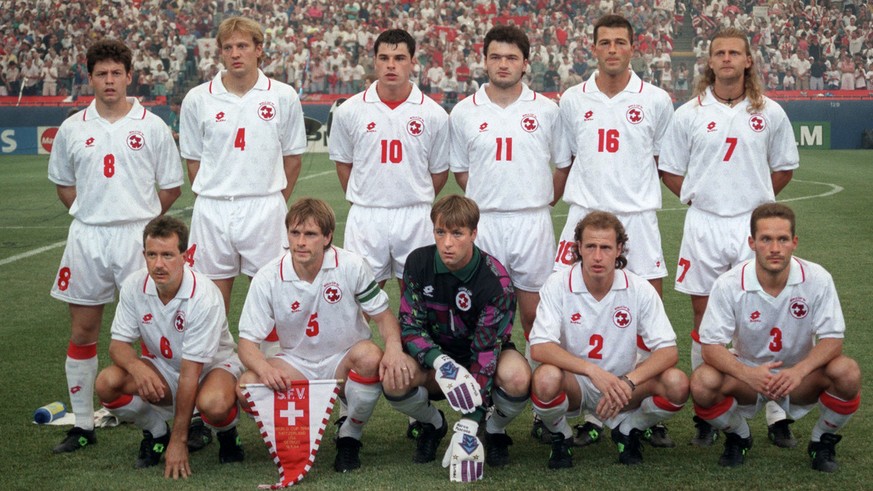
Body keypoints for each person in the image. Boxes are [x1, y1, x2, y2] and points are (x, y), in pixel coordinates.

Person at [659, 27, 799, 447]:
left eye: (734, 53)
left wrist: (755, 204)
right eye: (719, 52)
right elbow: (670, 169)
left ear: (747, 61)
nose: (726, 59)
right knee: (704, 316)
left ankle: (776, 408)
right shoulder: (689, 113)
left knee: (762, 315)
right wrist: (699, 197)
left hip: (751, 227)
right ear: (710, 61)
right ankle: (708, 410)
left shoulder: (770, 112)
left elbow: (784, 168)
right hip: (703, 225)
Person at [48, 39, 183, 454]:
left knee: (155, 329)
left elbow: (171, 187)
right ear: (90, 78)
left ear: (129, 77)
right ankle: (82, 425)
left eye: (116, 73)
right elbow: (64, 185)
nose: (109, 80)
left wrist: (141, 222)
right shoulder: (73, 127)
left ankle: (164, 420)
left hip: (137, 240)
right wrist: (91, 213)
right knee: (83, 330)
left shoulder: (152, 126)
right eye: (101, 74)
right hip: (87, 237)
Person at [554, 14, 675, 447]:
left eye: (620, 42)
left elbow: (664, 161)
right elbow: (565, 159)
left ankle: (637, 409)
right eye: (604, 42)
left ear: (632, 47)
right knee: (566, 307)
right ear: (593, 48)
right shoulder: (572, 99)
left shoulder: (657, 100)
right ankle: (575, 407)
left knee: (648, 313)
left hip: (637, 218)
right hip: (584, 216)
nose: (612, 49)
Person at [236, 198, 408, 473]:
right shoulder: (268, 277)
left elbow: (384, 317)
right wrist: (265, 369)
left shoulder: (351, 265)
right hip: (296, 363)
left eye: (310, 234)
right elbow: (246, 343)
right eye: (295, 233)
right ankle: (298, 432)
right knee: (247, 386)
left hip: (343, 359)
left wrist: (394, 348)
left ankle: (349, 435)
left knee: (370, 356)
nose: (301, 242)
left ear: (327, 237)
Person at [691, 203, 861, 471]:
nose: (774, 248)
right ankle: (739, 436)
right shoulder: (729, 283)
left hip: (798, 376)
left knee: (847, 372)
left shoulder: (817, 278)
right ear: (752, 243)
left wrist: (799, 371)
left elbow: (833, 339)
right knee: (702, 382)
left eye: (782, 239)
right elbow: (711, 347)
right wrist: (748, 374)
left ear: (794, 242)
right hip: (748, 375)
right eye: (766, 239)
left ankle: (821, 441)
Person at [383, 195, 529, 482]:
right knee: (393, 377)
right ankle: (433, 424)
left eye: (457, 233)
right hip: (434, 359)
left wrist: (470, 421)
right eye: (440, 232)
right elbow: (410, 325)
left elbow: (485, 352)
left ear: (474, 233)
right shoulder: (418, 262)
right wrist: (441, 363)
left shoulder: (496, 282)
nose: (447, 243)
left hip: (480, 356)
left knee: (517, 377)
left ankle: (492, 429)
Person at [528, 211, 688, 469]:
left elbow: (668, 351)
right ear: (578, 247)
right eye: (590, 246)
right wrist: (592, 371)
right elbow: (540, 347)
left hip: (623, 385)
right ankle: (562, 435)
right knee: (545, 378)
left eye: (606, 247)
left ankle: (629, 429)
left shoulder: (639, 288)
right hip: (577, 384)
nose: (597, 256)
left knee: (677, 383)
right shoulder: (558, 284)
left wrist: (629, 381)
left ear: (619, 249)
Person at [449, 24, 570, 360]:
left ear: (525, 63)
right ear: (485, 61)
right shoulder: (464, 111)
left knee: (536, 316)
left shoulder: (546, 110)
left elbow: (563, 166)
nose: (503, 64)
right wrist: (491, 197)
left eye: (512, 58)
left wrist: (541, 202)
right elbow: (461, 171)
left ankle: (539, 390)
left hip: (532, 223)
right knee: (481, 315)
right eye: (496, 57)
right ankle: (483, 386)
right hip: (484, 223)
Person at [95, 216, 244, 475]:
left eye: (167, 255)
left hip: (212, 368)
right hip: (165, 367)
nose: (158, 264)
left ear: (184, 256)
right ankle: (156, 431)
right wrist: (137, 368)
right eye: (152, 255)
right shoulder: (134, 285)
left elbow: (190, 373)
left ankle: (227, 434)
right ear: (143, 255)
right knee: (106, 384)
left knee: (214, 403)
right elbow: (118, 345)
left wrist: (180, 440)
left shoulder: (204, 296)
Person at [180, 16, 307, 313]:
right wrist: (214, 195)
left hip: (265, 208)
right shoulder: (197, 99)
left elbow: (293, 159)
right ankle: (217, 347)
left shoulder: (283, 95)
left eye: (242, 46)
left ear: (258, 49)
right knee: (209, 304)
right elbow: (193, 161)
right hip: (212, 210)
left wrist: (273, 199)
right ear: (221, 52)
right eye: (228, 48)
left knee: (272, 302)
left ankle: (270, 349)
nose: (235, 53)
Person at [328, 28, 450, 288]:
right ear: (374, 61)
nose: (391, 65)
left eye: (399, 58)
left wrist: (414, 196)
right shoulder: (349, 111)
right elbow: (343, 164)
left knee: (418, 299)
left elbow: (439, 172)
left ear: (413, 62)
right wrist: (364, 199)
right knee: (361, 299)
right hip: (366, 216)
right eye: (384, 58)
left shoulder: (434, 114)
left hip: (415, 216)